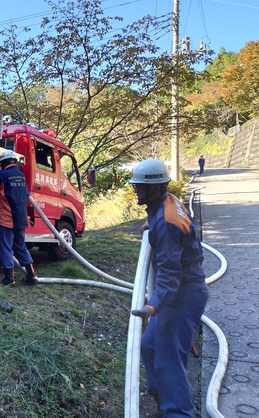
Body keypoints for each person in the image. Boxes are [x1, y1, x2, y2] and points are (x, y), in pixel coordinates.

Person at [128, 159, 208, 418]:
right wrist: (152, 223)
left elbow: (171, 275)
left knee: (168, 358)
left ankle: (179, 412)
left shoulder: (166, 222)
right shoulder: (165, 204)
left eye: (139, 186)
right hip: (180, 292)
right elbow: (166, 223)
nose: (135, 190)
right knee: (150, 345)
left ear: (154, 187)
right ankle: (163, 396)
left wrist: (152, 306)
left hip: (182, 294)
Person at [0, 149, 38, 285]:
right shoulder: (21, 175)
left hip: (7, 218)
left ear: (2, 163)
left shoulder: (2, 175)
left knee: (6, 247)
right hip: (20, 218)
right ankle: (32, 275)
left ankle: (9, 278)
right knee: (20, 246)